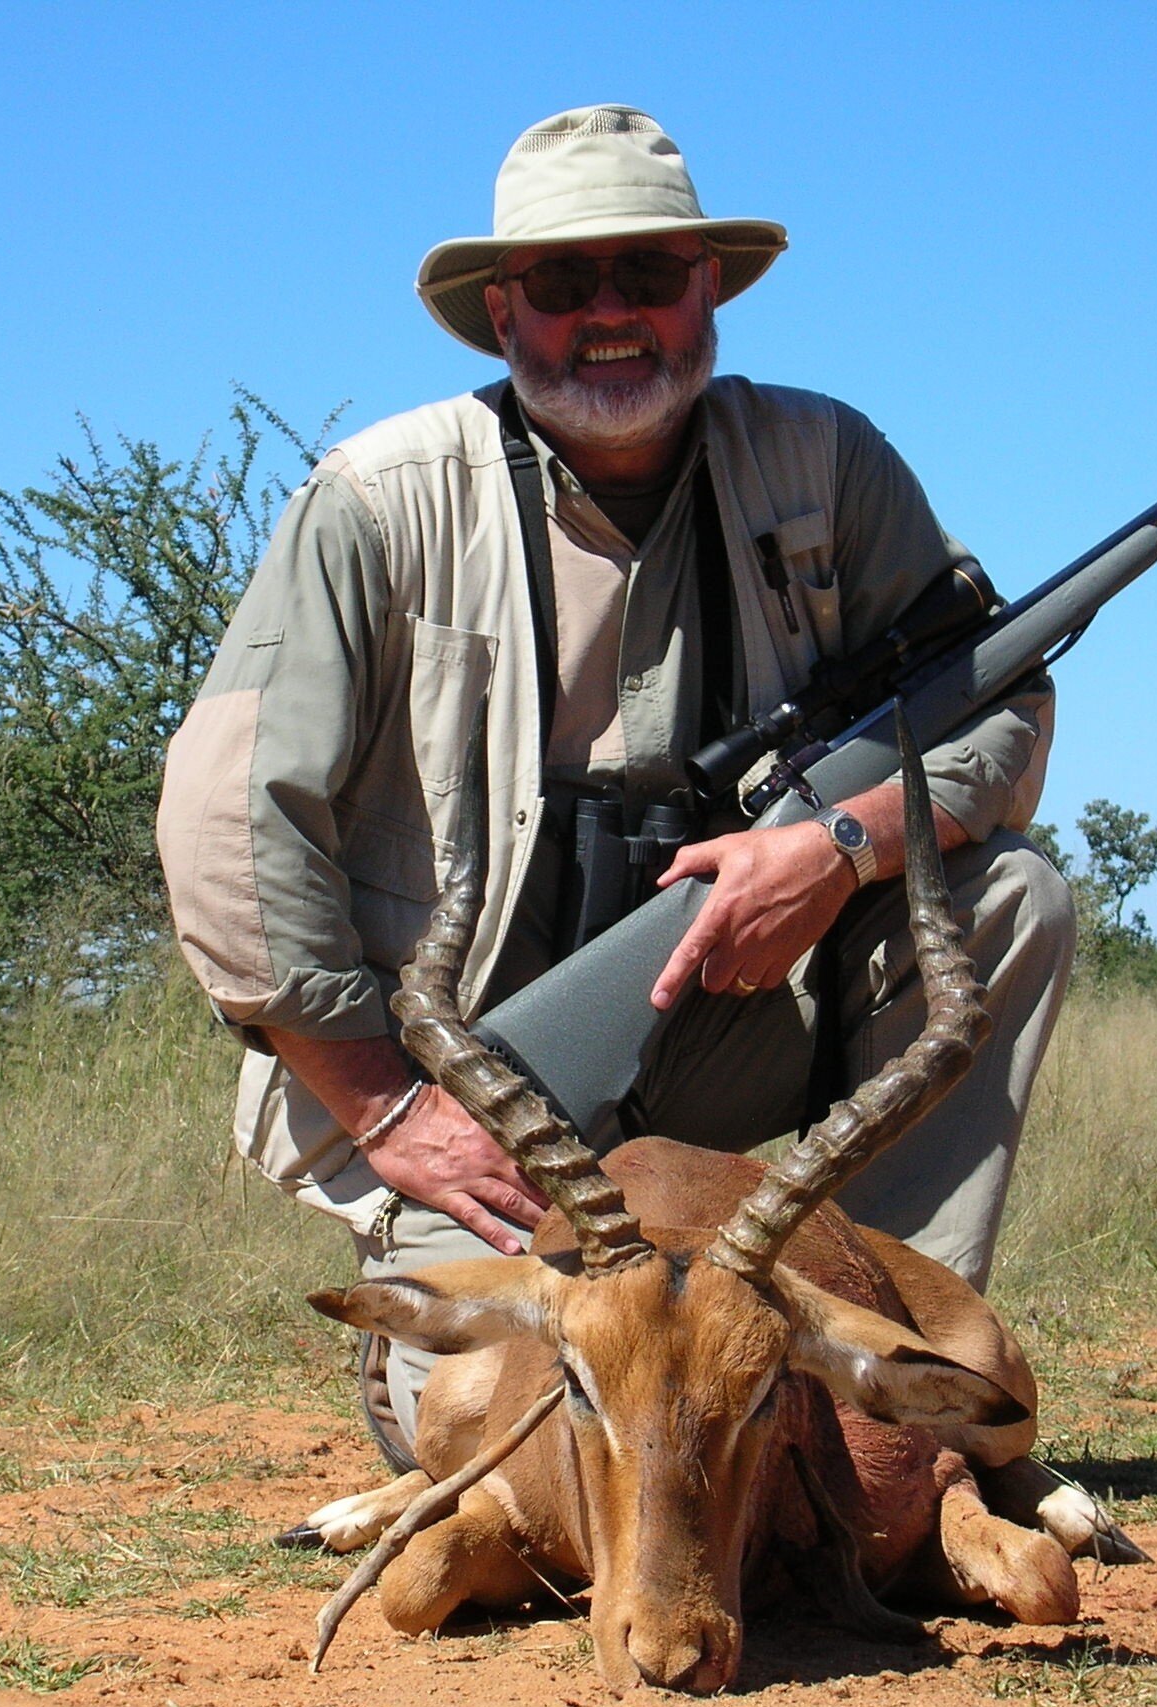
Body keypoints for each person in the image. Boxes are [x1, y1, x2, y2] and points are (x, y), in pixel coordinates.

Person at [157, 105, 1075, 1461]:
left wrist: (836, 845)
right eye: (565, 280)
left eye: (649, 273)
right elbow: (228, 819)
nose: (610, 313)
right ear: (500, 309)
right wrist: (383, 1103)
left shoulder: (830, 465)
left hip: (737, 1020)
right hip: (476, 1081)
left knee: (1011, 899)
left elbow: (998, 710)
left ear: (709, 289)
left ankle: (885, 1391)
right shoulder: (378, 497)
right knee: (474, 1435)